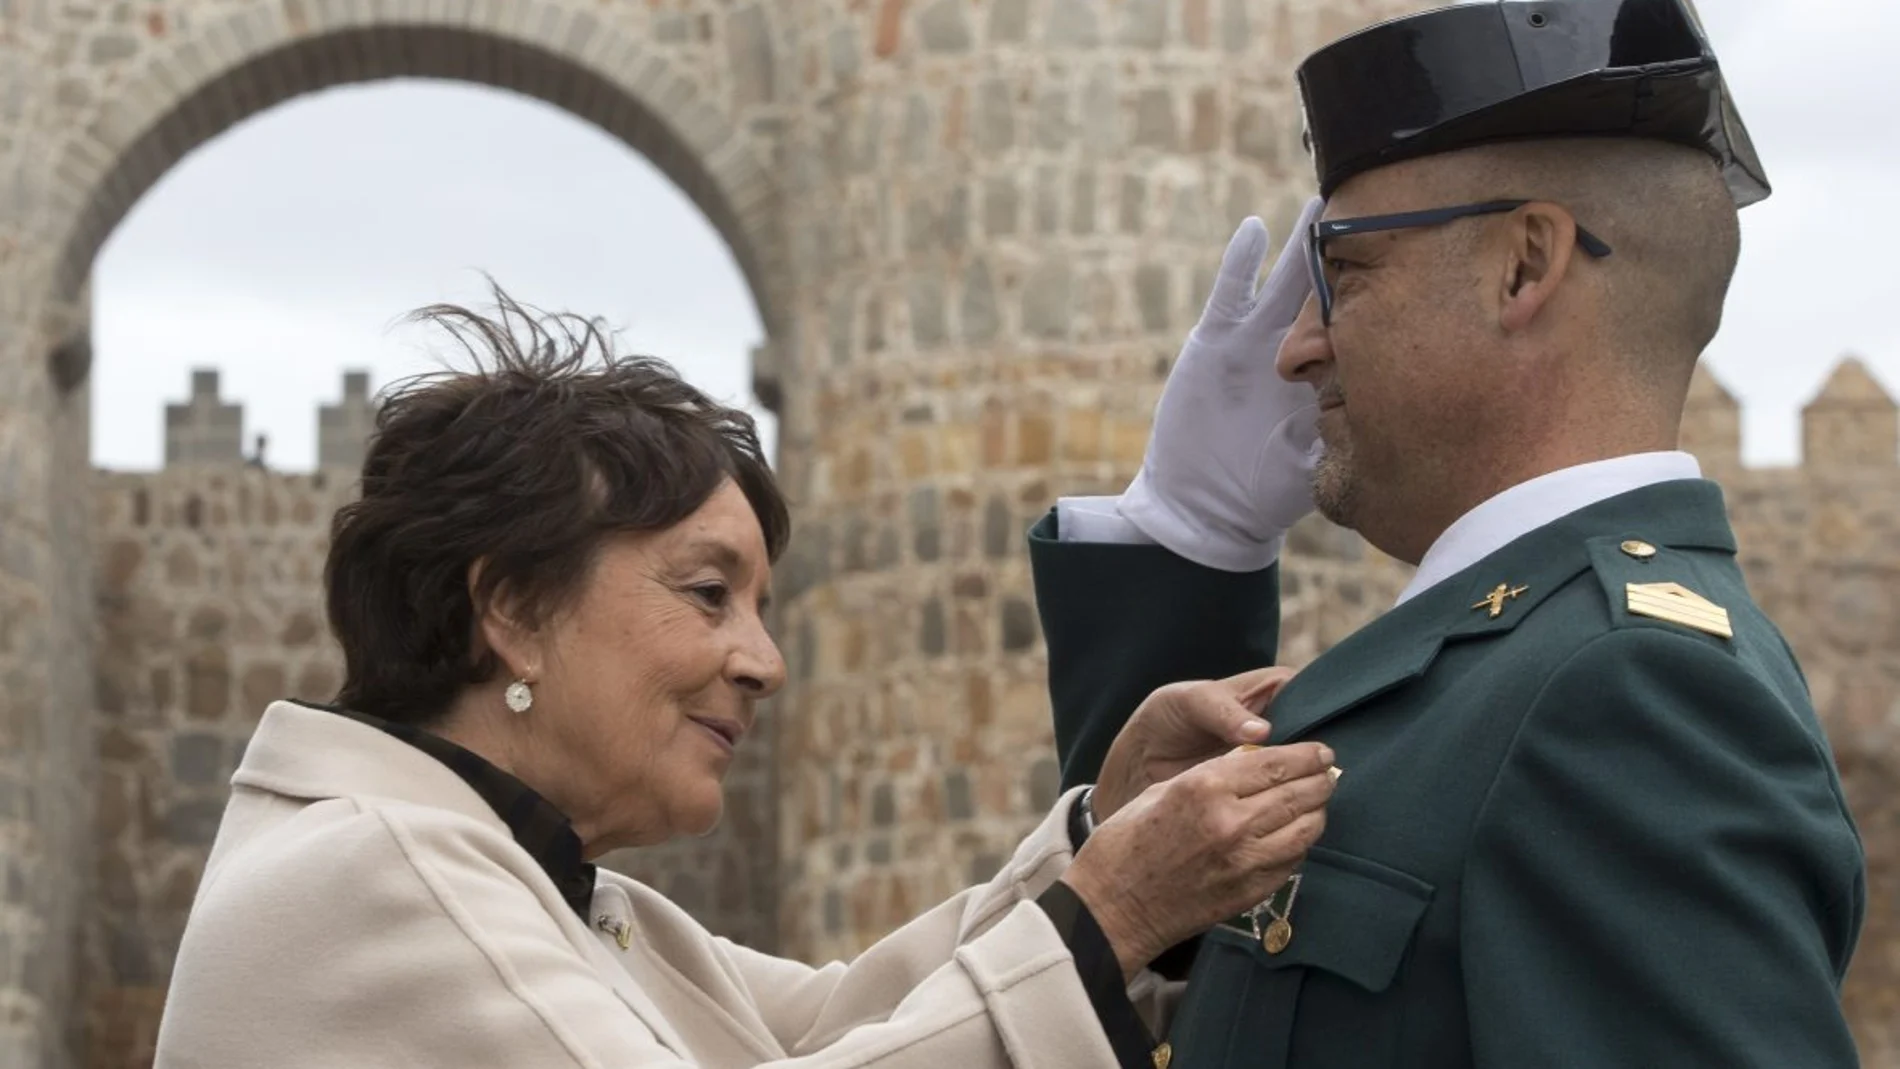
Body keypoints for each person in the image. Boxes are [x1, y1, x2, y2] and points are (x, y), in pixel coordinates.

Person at [151, 289, 1338, 1069]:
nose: (764, 661)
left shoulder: (540, 885)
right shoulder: (378, 869)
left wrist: (1095, 838)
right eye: (707, 591)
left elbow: (843, 1022)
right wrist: (1114, 913)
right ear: (511, 610)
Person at [1029, 0, 1867, 1065]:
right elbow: (1176, 956)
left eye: (1341, 272)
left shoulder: (1627, 695)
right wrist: (1189, 544)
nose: (1294, 347)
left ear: (1522, 266)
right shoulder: (1516, 670)